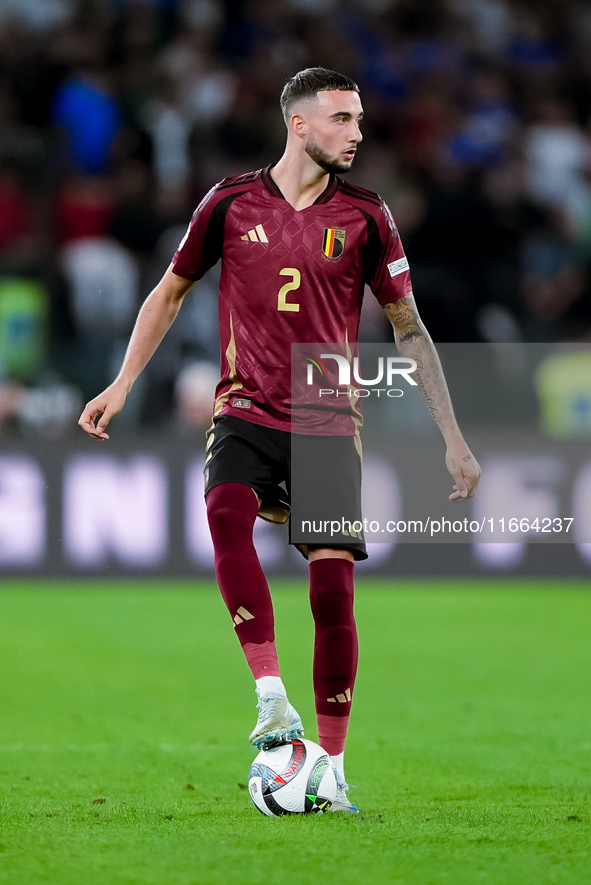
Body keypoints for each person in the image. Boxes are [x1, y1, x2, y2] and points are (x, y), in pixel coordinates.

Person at [78, 68, 481, 813]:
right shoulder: (229, 202)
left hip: (328, 412)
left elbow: (409, 328)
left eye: (359, 120)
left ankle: (331, 764)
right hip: (245, 405)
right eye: (342, 119)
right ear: (299, 124)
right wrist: (123, 382)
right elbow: (169, 291)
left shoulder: (368, 216)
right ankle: (271, 696)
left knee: (332, 591)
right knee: (224, 514)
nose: (357, 133)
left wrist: (451, 437)